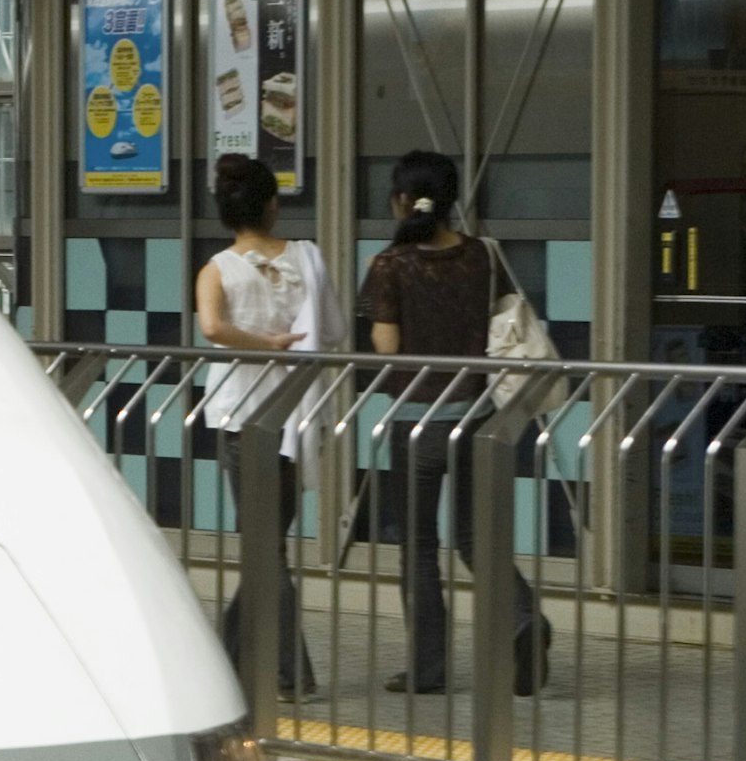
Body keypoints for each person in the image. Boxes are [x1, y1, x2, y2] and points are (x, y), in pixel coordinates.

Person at [358, 149, 547, 697]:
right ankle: (524, 618)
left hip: (417, 424)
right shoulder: (483, 256)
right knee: (472, 538)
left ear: (400, 200)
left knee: (418, 546)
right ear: (451, 200)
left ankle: (429, 669)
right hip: (478, 415)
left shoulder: (389, 266)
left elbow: (388, 346)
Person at [191, 152, 333, 693]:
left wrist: (261, 345)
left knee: (263, 546)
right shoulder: (308, 257)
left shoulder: (216, 269)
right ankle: (230, 658)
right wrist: (281, 343)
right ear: (273, 205)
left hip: (239, 415)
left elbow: (212, 327)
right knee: (268, 541)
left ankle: (286, 671)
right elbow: (335, 325)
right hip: (296, 417)